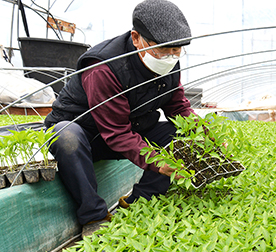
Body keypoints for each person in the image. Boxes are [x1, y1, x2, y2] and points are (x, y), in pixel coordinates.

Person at [44, 0, 195, 236]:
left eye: (176, 51)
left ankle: (141, 200)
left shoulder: (168, 62)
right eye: (162, 51)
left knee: (179, 133)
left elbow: (178, 107)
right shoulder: (104, 67)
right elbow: (116, 132)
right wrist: (157, 161)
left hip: (128, 128)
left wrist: (208, 135)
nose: (170, 57)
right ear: (136, 38)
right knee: (66, 136)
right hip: (87, 135)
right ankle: (94, 216)